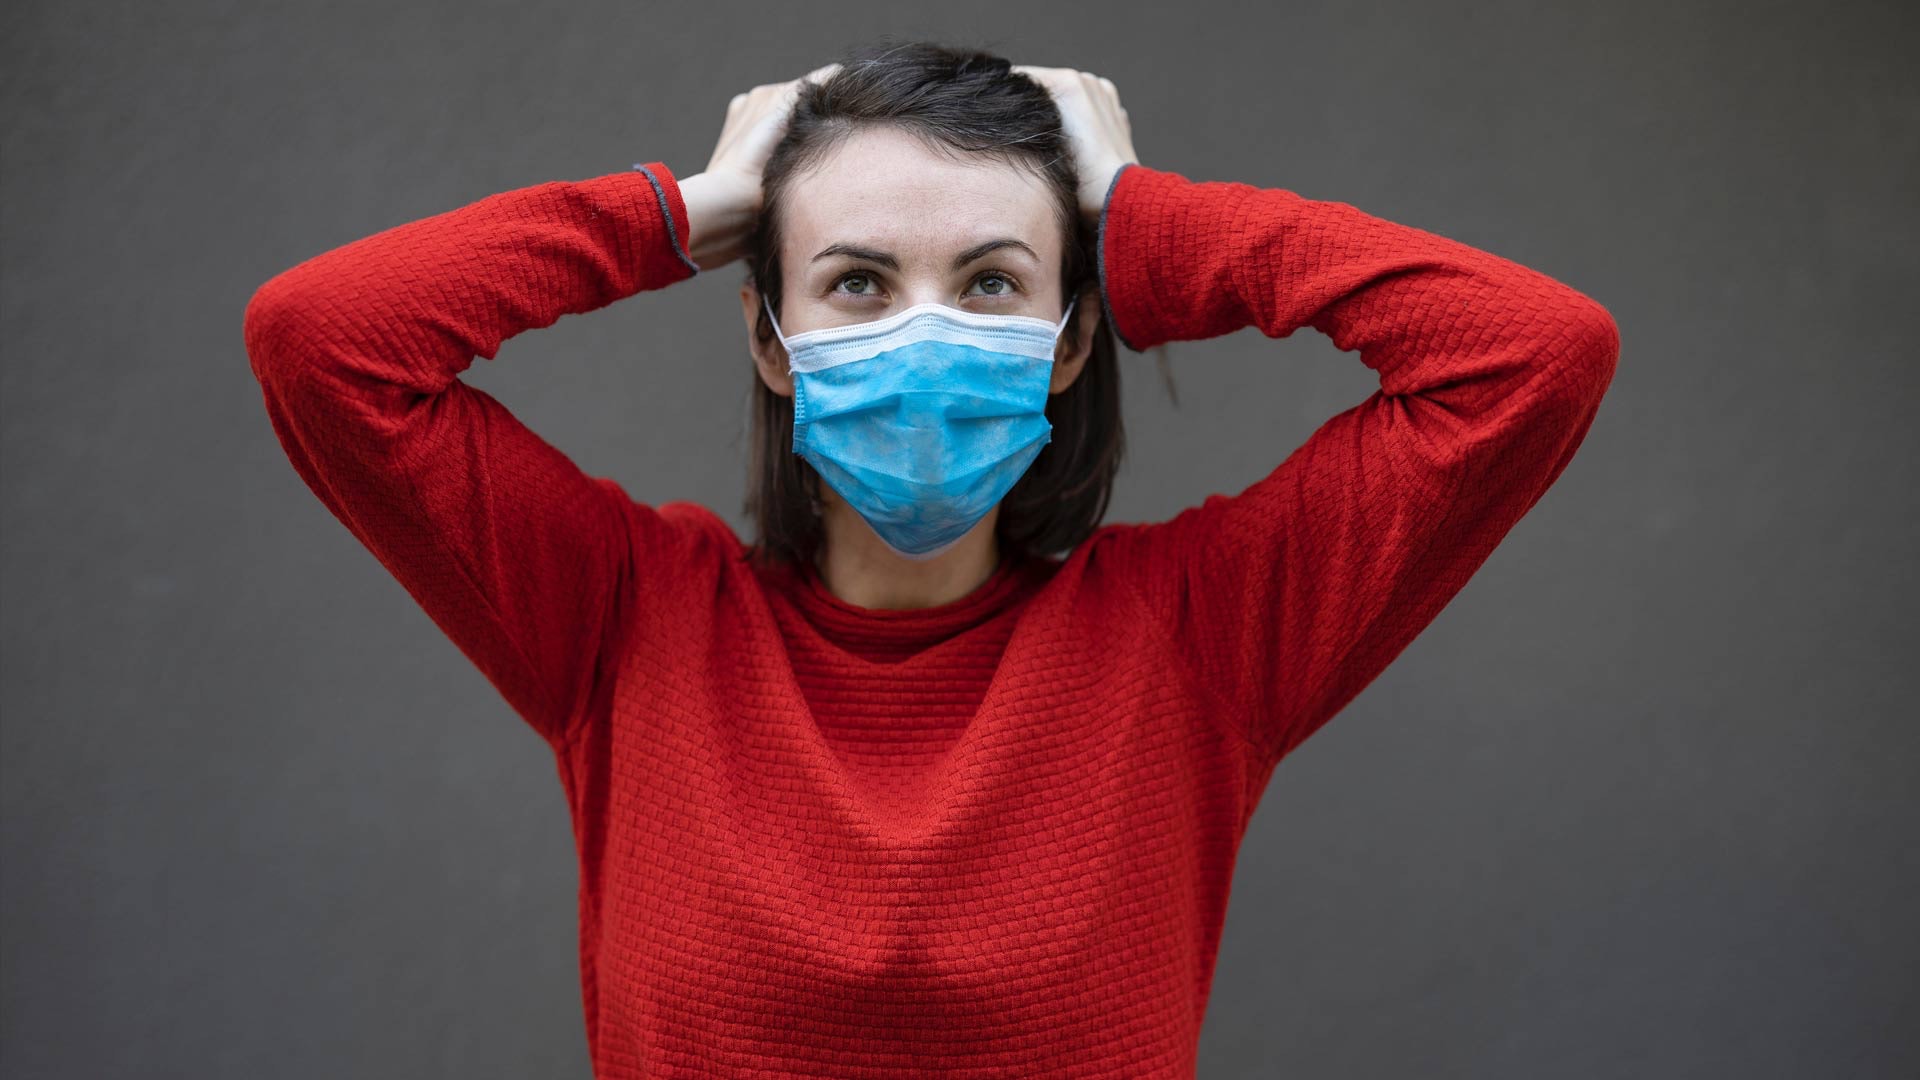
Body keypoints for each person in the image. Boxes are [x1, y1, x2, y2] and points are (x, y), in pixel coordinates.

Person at [243, 40, 1618, 1080]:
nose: (923, 333)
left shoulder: (1201, 636)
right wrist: (683, 210)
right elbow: (322, 340)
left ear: (1071, 339)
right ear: (770, 341)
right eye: (856, 281)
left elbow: (1530, 354)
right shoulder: (621, 617)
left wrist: (1141, 218)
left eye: (990, 285)